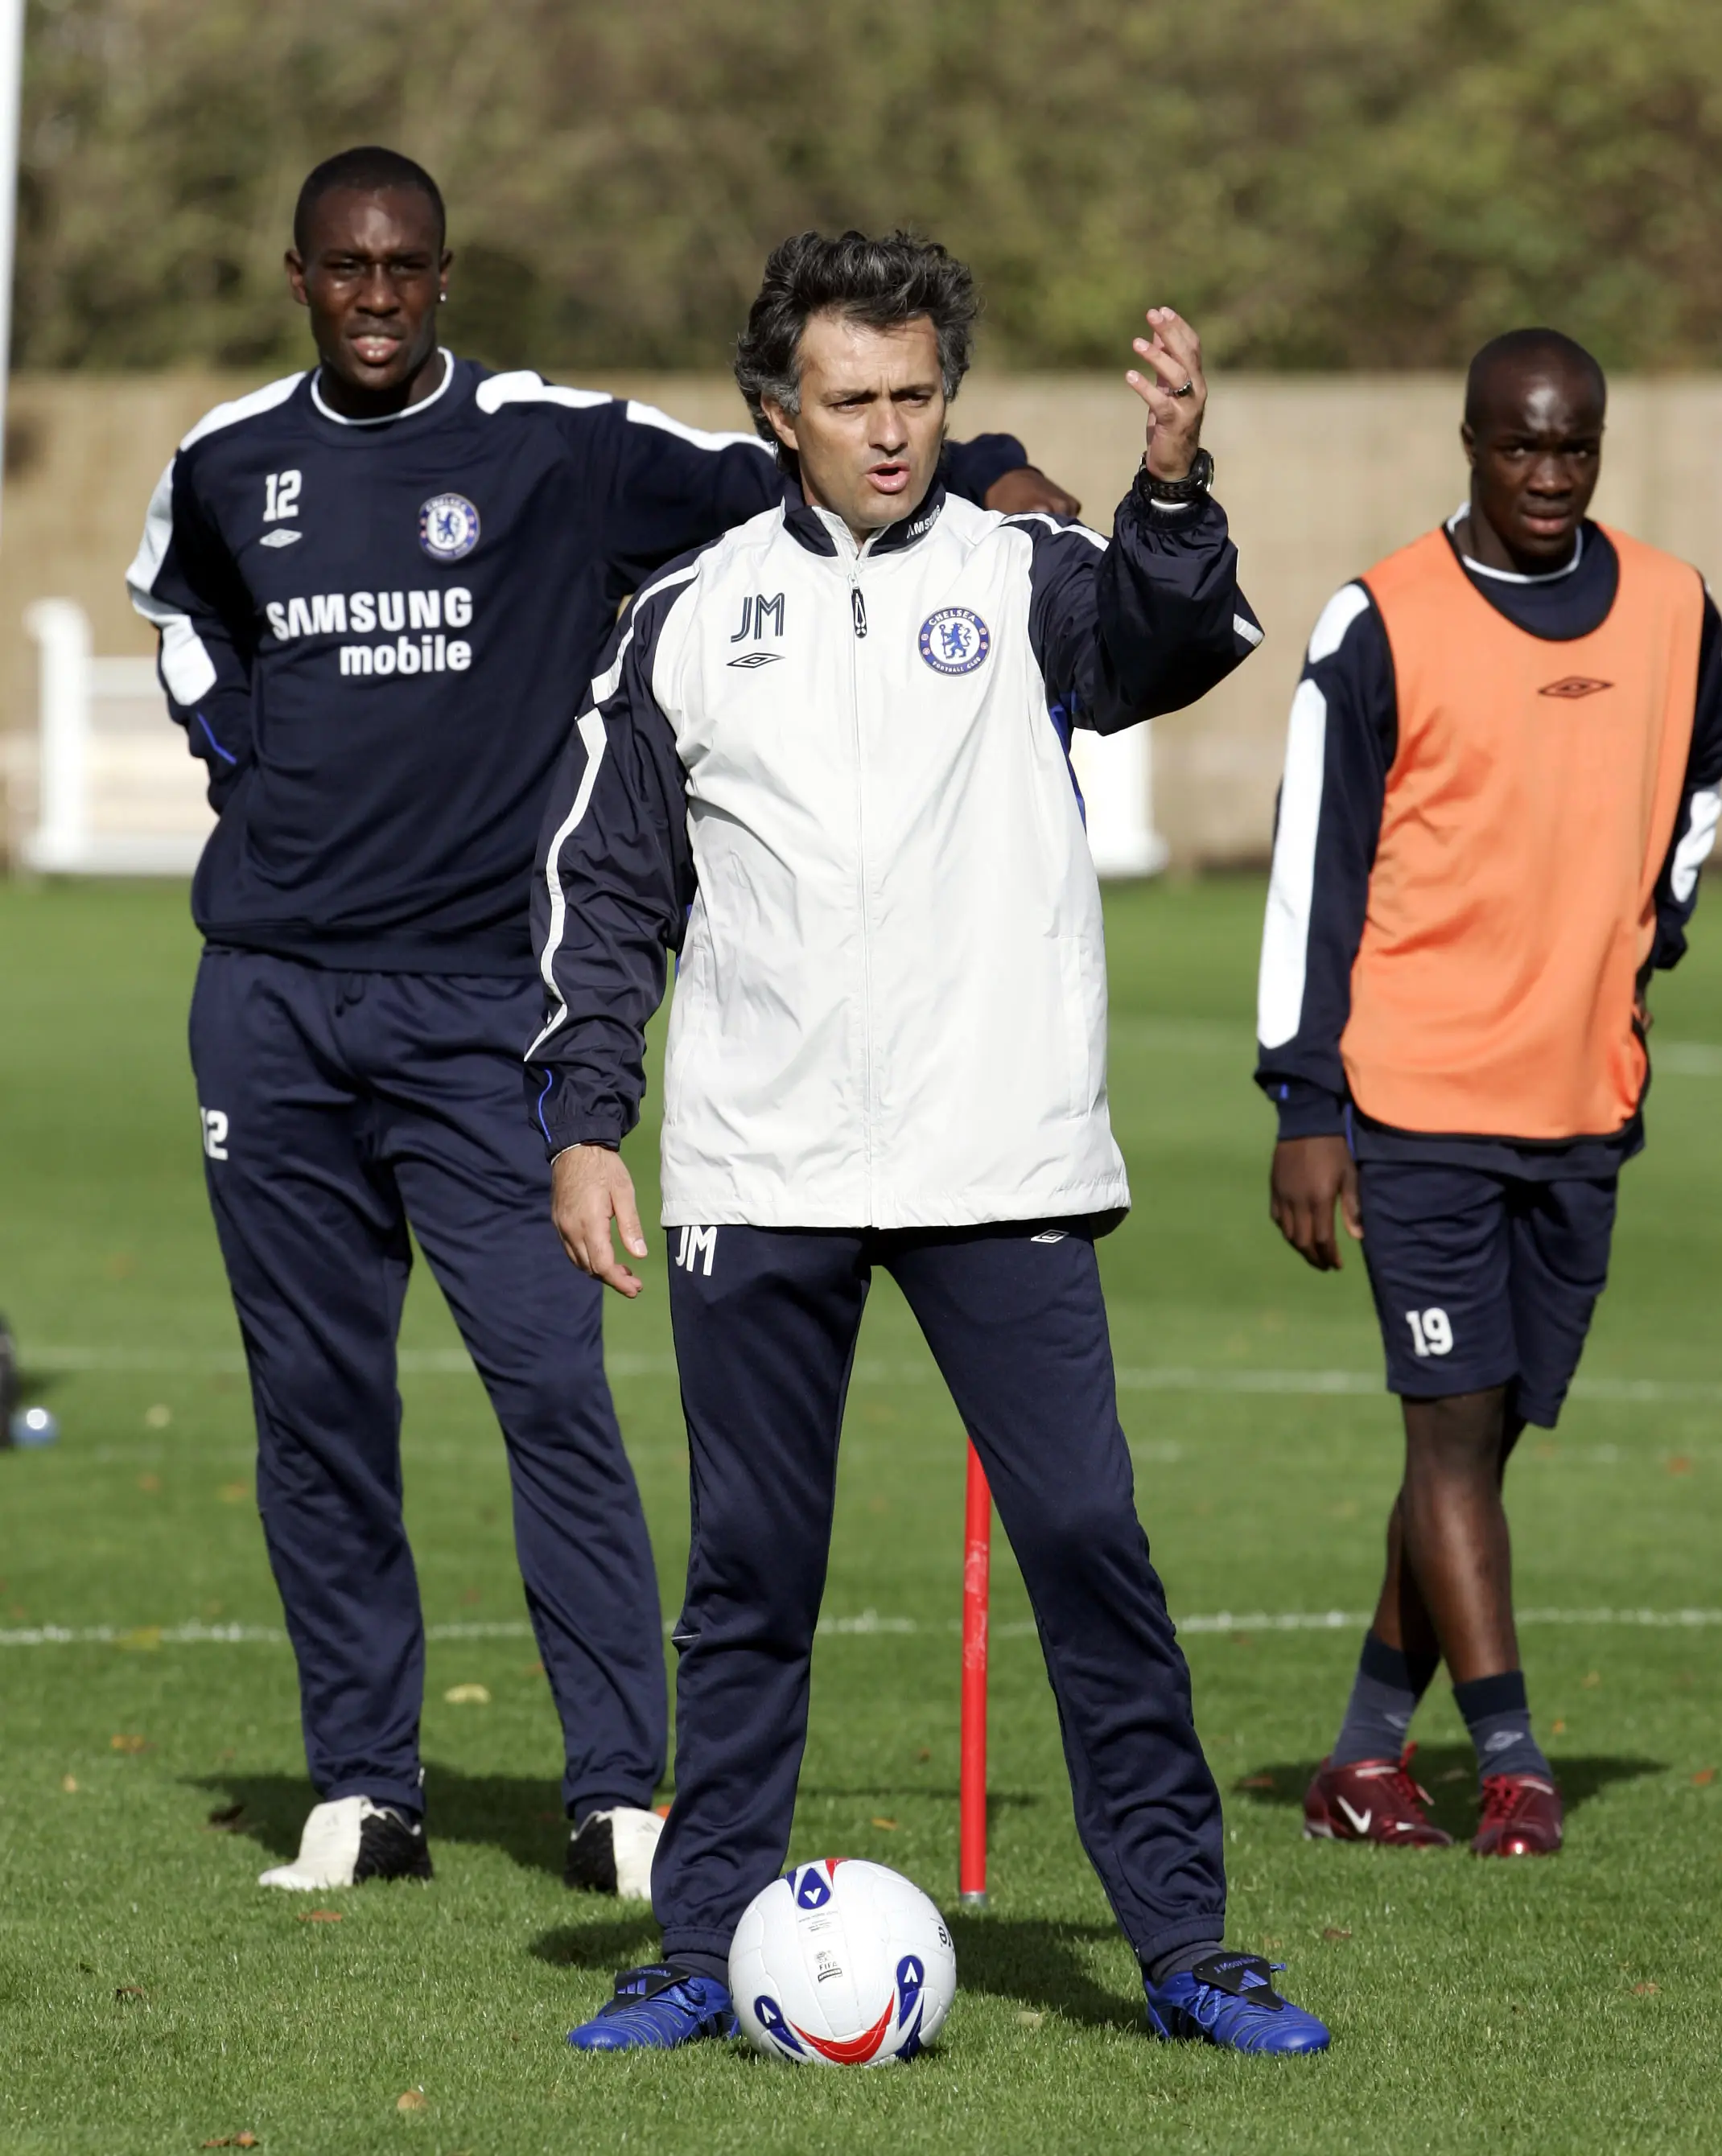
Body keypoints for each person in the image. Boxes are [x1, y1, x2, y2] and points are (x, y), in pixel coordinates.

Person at [126, 145, 1071, 1897]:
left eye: (409, 267)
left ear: (446, 273)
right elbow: (179, 616)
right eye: (350, 269)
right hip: (267, 1001)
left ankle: (618, 1794)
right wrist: (257, 787)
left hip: (487, 994)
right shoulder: (227, 457)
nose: (382, 297)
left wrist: (996, 467)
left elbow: (780, 454)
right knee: (314, 1401)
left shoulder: (553, 442)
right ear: (300, 277)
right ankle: (362, 1782)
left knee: (551, 1386)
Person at [530, 227, 1330, 2058]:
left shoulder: (1026, 571)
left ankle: (1186, 1944)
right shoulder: (687, 615)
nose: (889, 433)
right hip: (762, 1169)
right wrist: (586, 1123)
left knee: (1084, 1538)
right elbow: (604, 891)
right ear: (774, 412)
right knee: (748, 1572)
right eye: (850, 400)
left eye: (914, 397)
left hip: (1002, 1163)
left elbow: (1165, 639)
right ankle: (696, 1939)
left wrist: (1174, 483)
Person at [1256, 329, 1722, 1858]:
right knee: (1451, 1431)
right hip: (1417, 1095)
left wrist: (1651, 926)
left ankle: (1363, 1759)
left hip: (1586, 1092)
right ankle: (1516, 1764)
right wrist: (1307, 1104)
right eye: (1519, 446)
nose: (1548, 474)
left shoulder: (1672, 606)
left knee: (1489, 1429)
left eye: (1573, 447)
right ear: (1468, 440)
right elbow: (1312, 872)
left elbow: (1700, 788)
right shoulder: (1379, 618)